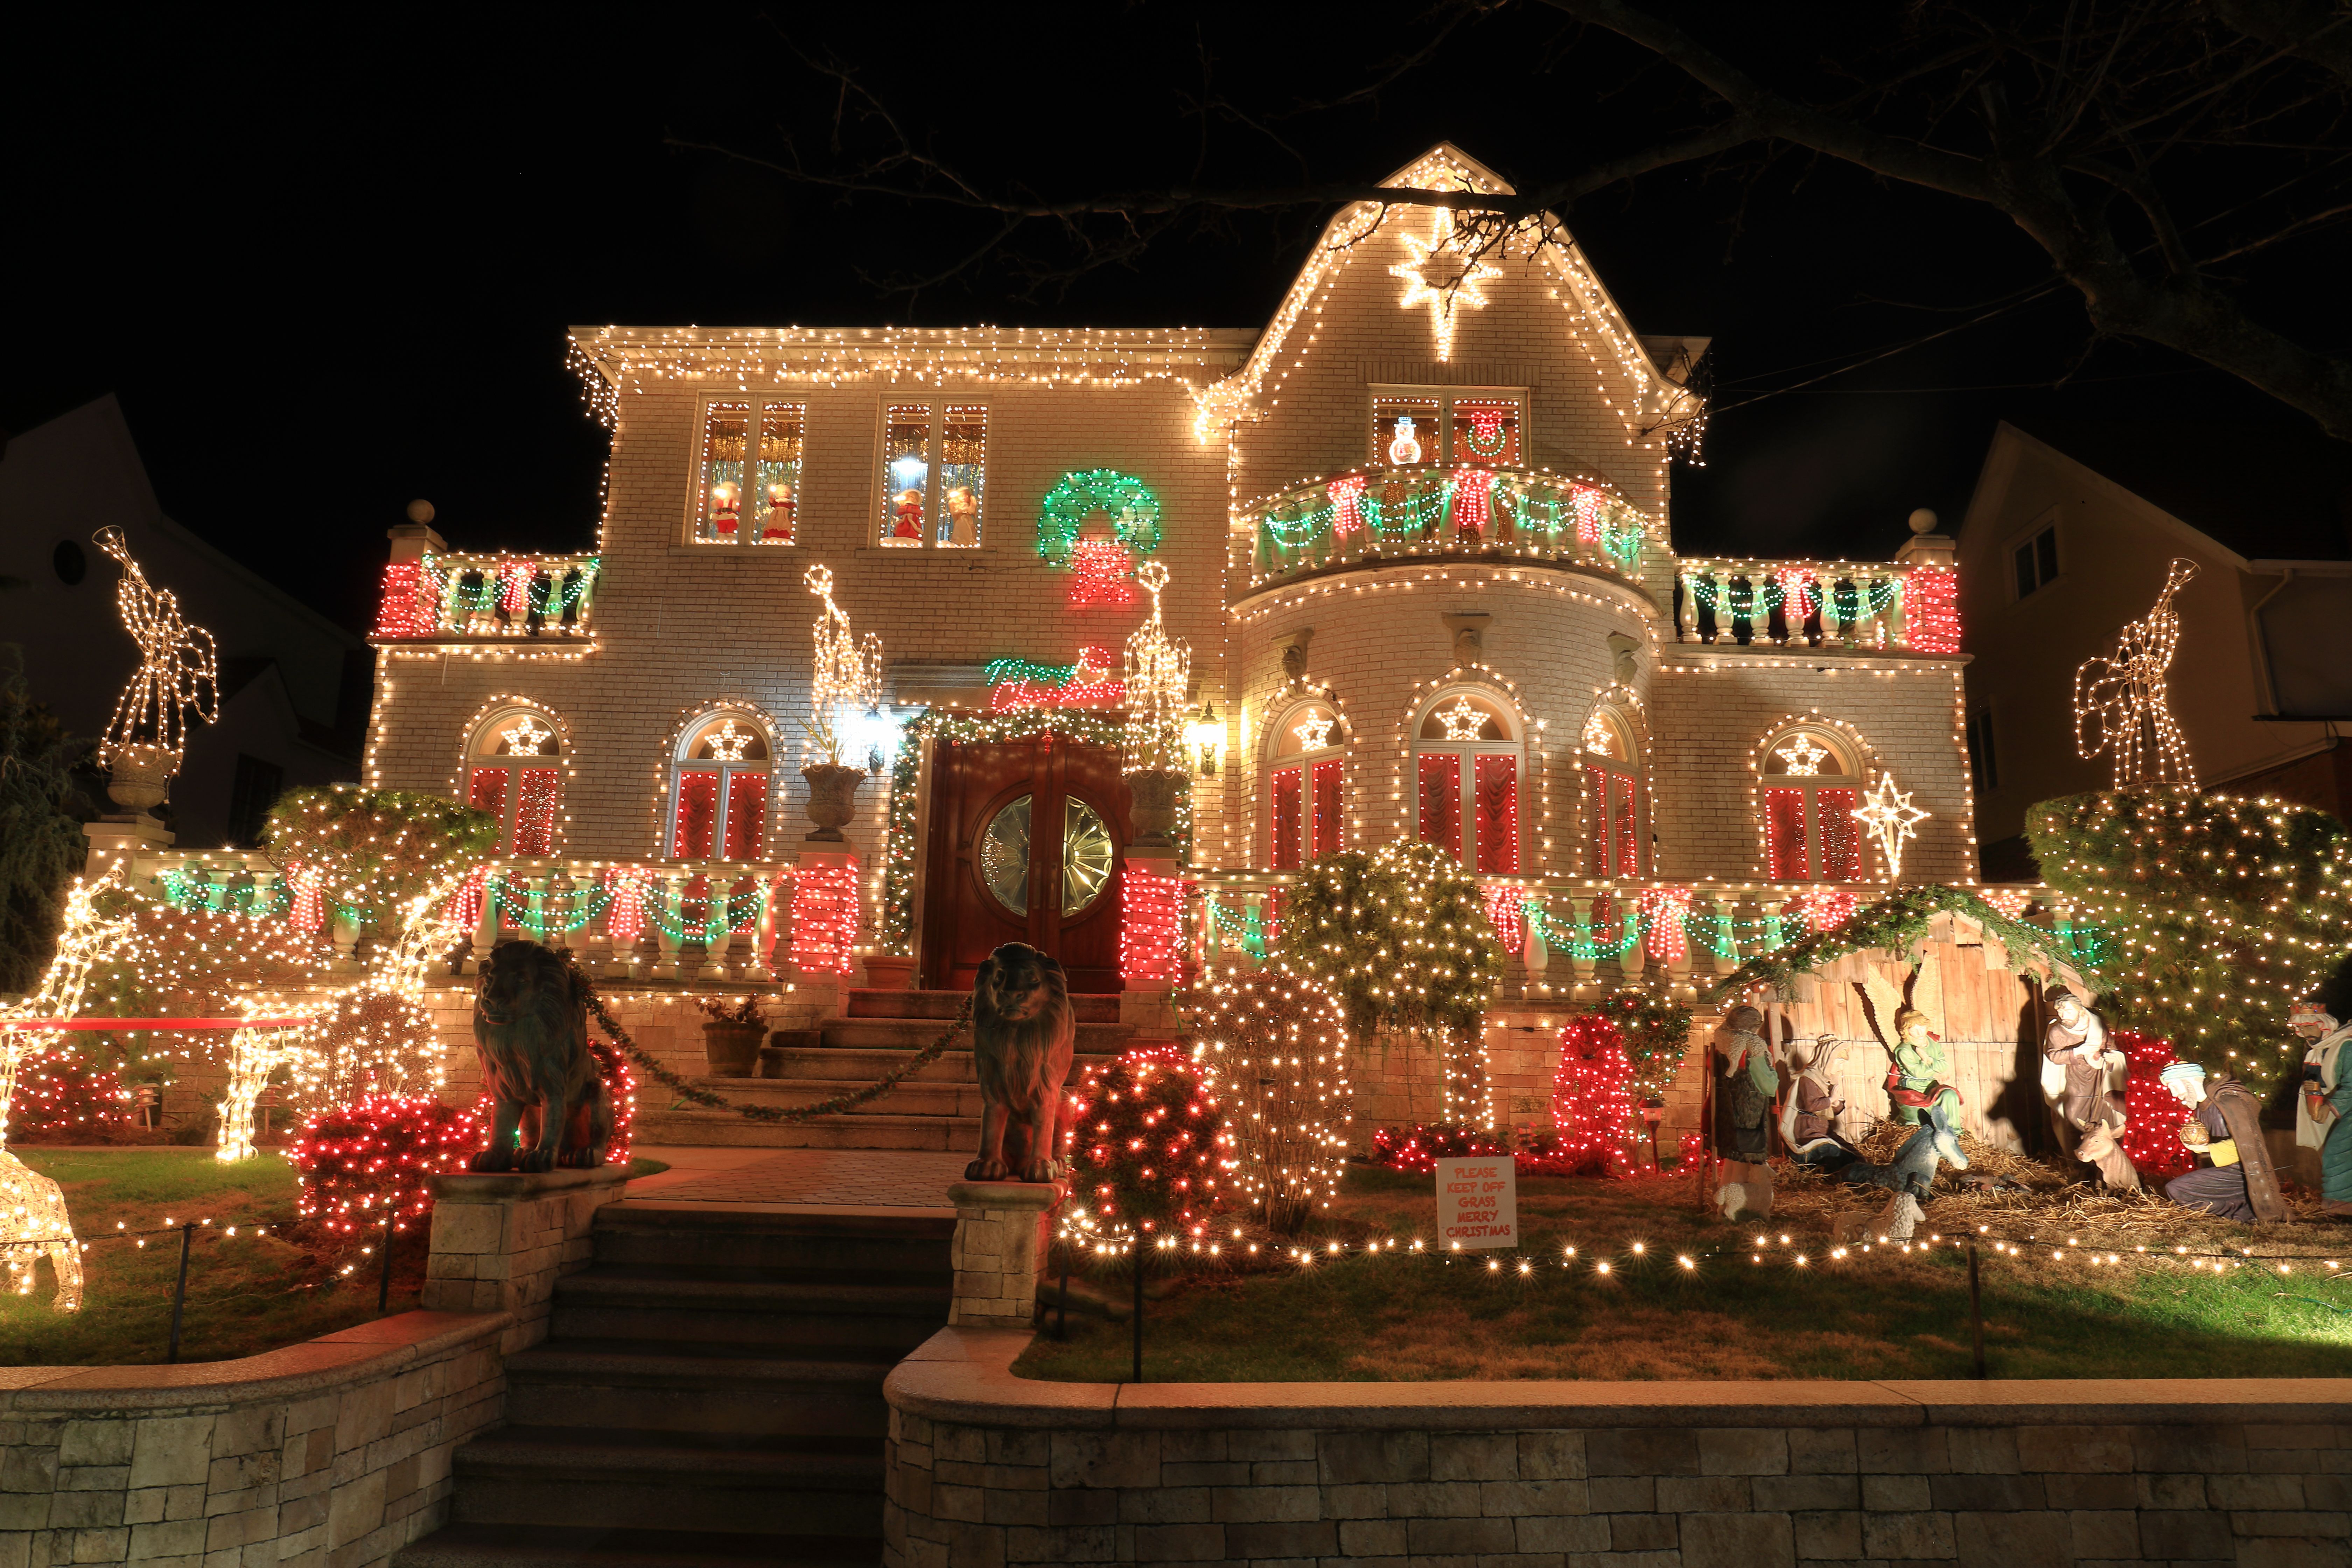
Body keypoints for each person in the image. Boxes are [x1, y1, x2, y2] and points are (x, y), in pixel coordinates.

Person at [2160, 1060, 2289, 1224]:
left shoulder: (2227, 1103)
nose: (2174, 1094)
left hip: (2243, 1171)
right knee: (2180, 1188)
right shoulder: (2201, 1110)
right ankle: (2243, 1212)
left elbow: (2247, 1144)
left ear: (2190, 1081)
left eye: (2175, 1087)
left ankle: (2234, 1213)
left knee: (2177, 1189)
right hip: (2224, 1169)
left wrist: (2207, 1148)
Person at [2040, 988, 2140, 1191]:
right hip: (2076, 1080)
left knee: (2105, 1118)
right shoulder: (2058, 1031)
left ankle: (2108, 1171)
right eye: (2060, 1012)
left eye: (2067, 1012)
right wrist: (2078, 1052)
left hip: (2101, 1080)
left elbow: (2110, 1047)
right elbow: (2054, 1056)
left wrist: (2112, 1056)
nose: (2063, 1016)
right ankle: (2079, 1170)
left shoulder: (2096, 1025)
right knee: (2073, 1117)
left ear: (2080, 1011)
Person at [1712, 1005, 1779, 1219]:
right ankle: (1738, 1211)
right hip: (1748, 1111)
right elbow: (1768, 1085)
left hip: (1727, 1109)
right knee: (1742, 1159)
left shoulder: (1721, 1040)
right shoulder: (1753, 1045)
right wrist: (1773, 1074)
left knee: (1732, 1160)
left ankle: (1722, 1206)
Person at [2294, 980, 2352, 1218]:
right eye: (2302, 1029)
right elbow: (2313, 1083)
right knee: (2331, 1152)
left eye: (2311, 1027)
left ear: (2324, 1026)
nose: (2307, 1034)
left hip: (2346, 1109)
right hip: (2333, 1110)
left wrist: (2331, 1106)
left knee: (2336, 1153)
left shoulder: (2345, 1047)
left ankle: (2341, 1207)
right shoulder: (2316, 1052)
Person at [1778, 1035, 1861, 1170]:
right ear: (1827, 1060)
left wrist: (1836, 1104)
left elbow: (1835, 1110)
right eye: (1839, 1063)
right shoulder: (1808, 1079)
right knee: (1834, 1154)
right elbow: (1810, 1106)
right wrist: (1831, 1100)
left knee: (1853, 1154)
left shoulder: (1825, 1080)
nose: (1841, 1068)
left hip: (1823, 1129)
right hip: (1807, 1131)